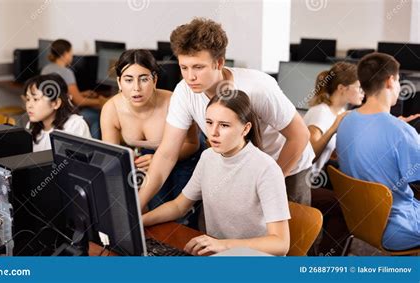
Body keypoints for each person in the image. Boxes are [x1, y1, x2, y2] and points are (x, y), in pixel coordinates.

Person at [139, 18, 314, 209]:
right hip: (238, 167)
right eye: (184, 67)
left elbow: (299, 135)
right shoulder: (184, 91)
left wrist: (271, 182)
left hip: (286, 163)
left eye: (198, 67)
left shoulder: (257, 88)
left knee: (289, 234)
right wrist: (138, 203)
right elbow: (166, 154)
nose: (190, 77)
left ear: (219, 63)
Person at [142, 90, 290, 256]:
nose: (213, 132)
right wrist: (139, 221)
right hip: (218, 254)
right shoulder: (208, 156)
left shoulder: (266, 168)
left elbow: (281, 243)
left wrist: (224, 245)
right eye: (209, 123)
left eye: (224, 125)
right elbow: (179, 206)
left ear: (245, 129)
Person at [337, 52, 420, 250]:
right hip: (398, 227)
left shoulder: (346, 121)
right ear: (390, 81)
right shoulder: (401, 132)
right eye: (399, 80)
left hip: (362, 221)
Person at [100, 49, 201, 211]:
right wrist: (127, 160)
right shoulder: (111, 109)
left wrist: (157, 158)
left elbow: (192, 144)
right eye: (128, 80)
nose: (136, 88)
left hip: (186, 156)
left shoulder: (173, 102)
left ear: (154, 80)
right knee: (155, 208)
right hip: (150, 157)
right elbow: (112, 158)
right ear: (119, 82)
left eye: (144, 79)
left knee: (183, 216)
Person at [304, 62, 364, 178]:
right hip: (307, 183)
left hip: (317, 177)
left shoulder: (340, 112)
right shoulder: (320, 112)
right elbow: (310, 156)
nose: (363, 92)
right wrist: (333, 129)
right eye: (359, 88)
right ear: (341, 88)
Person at [42, 39, 106, 139]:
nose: (72, 56)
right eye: (71, 53)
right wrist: (101, 101)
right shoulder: (66, 72)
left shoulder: (46, 69)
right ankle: (94, 145)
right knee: (97, 115)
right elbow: (79, 101)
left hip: (52, 113)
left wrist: (82, 93)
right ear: (66, 54)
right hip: (64, 114)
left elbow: (61, 93)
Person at [25, 73, 91, 152]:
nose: (29, 105)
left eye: (35, 99)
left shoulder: (75, 125)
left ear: (56, 103)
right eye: (28, 99)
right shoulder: (31, 126)